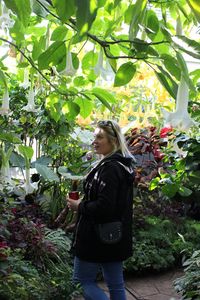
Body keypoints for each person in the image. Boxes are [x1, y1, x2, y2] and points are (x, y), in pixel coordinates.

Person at [67, 120, 135, 300]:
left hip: (96, 237)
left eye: (99, 137)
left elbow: (105, 206)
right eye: (94, 137)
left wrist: (79, 206)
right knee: (116, 285)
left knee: (81, 281)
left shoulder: (110, 168)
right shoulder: (123, 165)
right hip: (115, 235)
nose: (94, 141)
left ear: (113, 141)